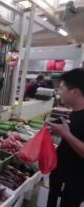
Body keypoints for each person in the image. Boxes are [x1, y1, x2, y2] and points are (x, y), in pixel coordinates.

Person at [46, 68, 84, 207]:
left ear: (75, 92)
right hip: (61, 174)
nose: (58, 92)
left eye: (61, 88)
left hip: (72, 180)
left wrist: (65, 134)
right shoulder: (75, 112)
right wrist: (57, 131)